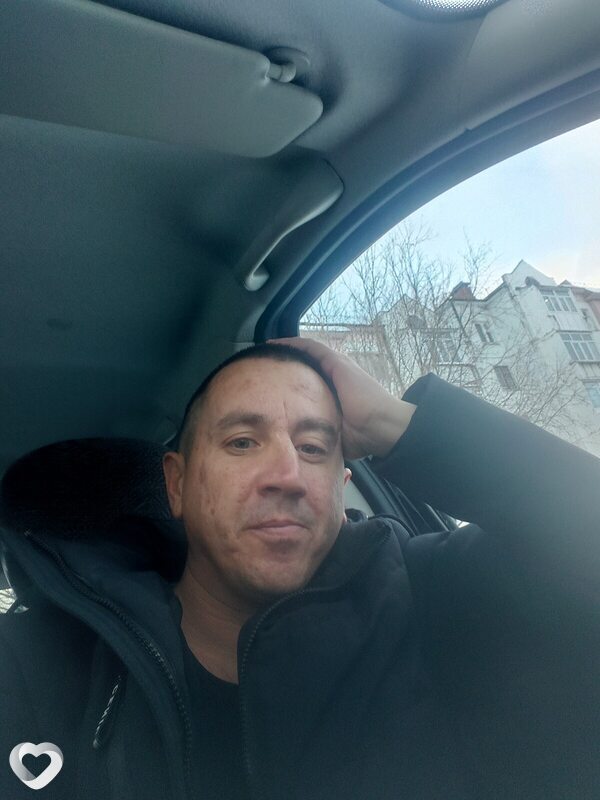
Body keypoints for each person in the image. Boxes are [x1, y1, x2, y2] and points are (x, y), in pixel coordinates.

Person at [0, 338, 599, 800]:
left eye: (314, 448)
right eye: (241, 442)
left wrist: (396, 422)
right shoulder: (38, 664)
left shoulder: (437, 598)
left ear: (342, 485)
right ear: (176, 485)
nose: (287, 475)